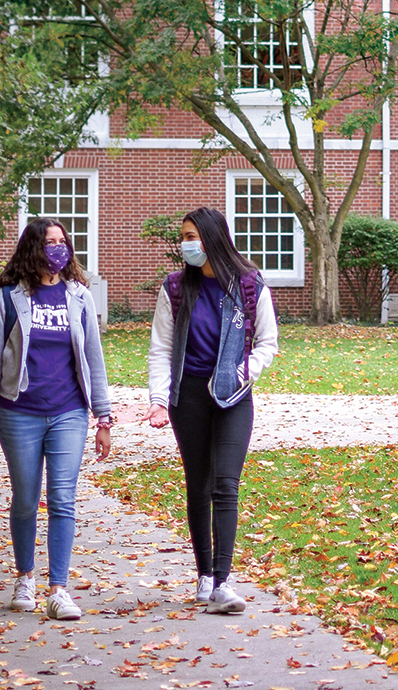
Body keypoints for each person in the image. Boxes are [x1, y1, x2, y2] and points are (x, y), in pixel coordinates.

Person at [0, 218, 113, 620]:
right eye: (50, 242)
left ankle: (59, 589)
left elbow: (94, 361)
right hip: (20, 414)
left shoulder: (80, 297)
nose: (58, 249)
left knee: (63, 500)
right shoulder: (8, 299)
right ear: (33, 248)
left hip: (69, 412)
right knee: (27, 501)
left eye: (63, 242)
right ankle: (25, 577)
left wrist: (103, 418)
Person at [141, 207, 278, 615]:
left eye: (192, 237)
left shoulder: (249, 285)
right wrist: (158, 399)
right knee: (198, 484)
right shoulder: (176, 288)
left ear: (213, 239)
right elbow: (161, 349)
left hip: (234, 397)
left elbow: (267, 343)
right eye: (183, 237)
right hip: (190, 398)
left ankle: (222, 582)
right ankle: (203, 576)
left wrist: (243, 371)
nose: (186, 245)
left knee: (226, 484)